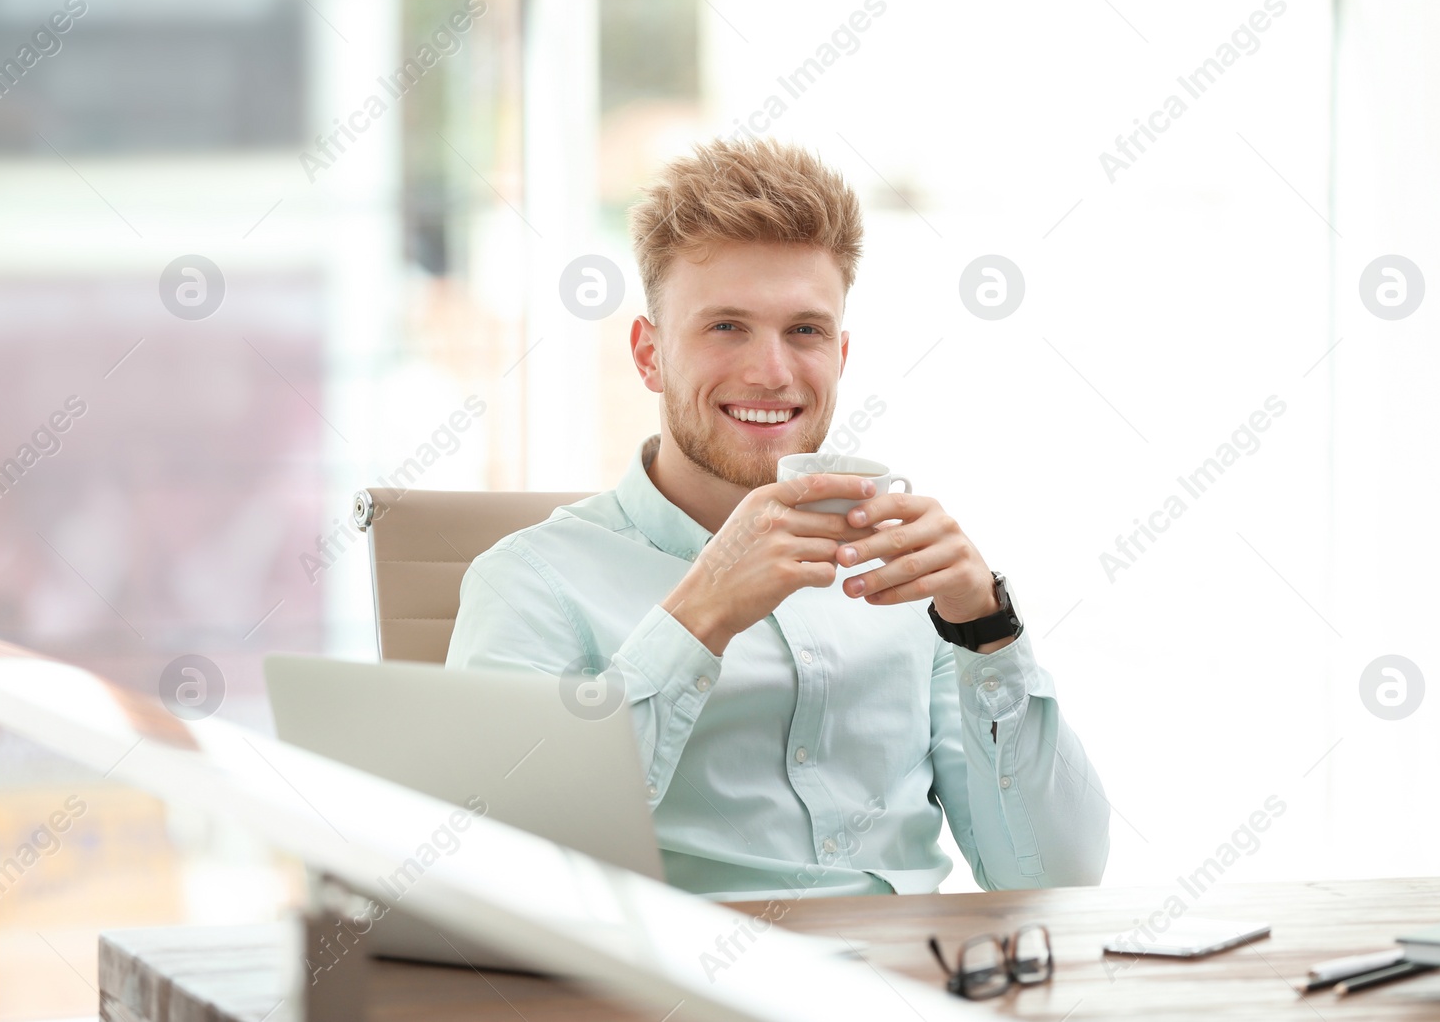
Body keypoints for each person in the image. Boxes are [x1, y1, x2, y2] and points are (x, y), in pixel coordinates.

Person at [446, 137, 1109, 900]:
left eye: (805, 330)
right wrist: (701, 614)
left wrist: (986, 630)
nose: (772, 371)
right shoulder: (529, 582)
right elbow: (498, 874)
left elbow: (1060, 876)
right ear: (649, 353)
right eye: (726, 326)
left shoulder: (905, 584)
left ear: (841, 352)